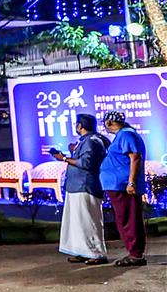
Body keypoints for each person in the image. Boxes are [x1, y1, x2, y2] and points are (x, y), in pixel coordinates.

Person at [53, 113, 108, 265]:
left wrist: (63, 158)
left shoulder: (91, 141)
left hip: (85, 186)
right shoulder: (87, 140)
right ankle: (82, 251)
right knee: (78, 222)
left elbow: (86, 163)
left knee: (89, 220)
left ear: (80, 126)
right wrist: (71, 153)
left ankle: (97, 253)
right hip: (76, 186)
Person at [100, 111, 147, 267]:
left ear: (108, 123)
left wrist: (131, 182)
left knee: (129, 220)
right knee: (125, 219)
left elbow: (135, 157)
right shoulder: (123, 135)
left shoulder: (127, 135)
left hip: (123, 186)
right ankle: (134, 253)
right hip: (118, 186)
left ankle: (136, 255)